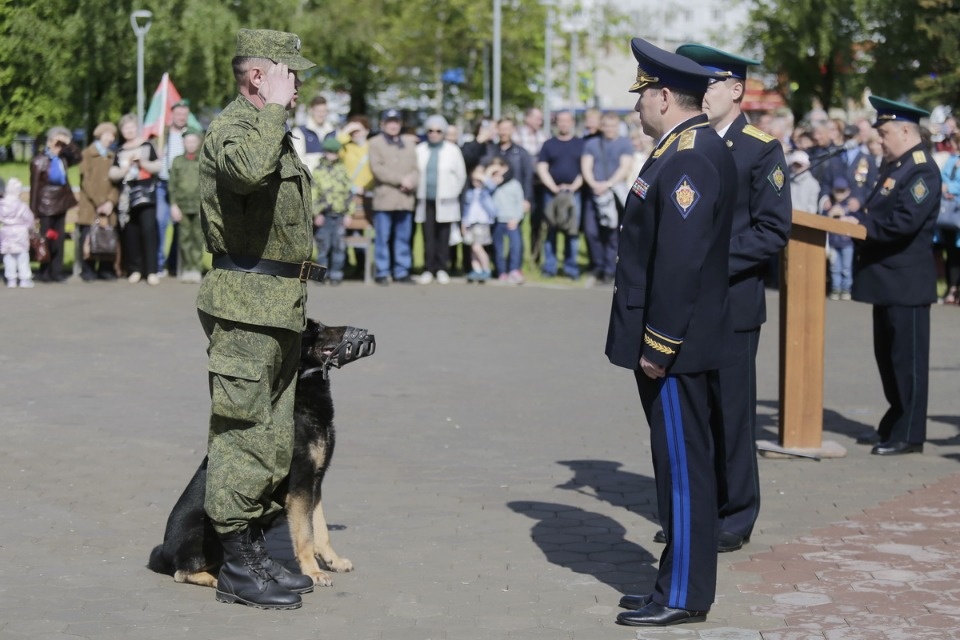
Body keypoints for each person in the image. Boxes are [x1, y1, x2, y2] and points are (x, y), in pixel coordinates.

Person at [606, 37, 735, 627]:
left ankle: (683, 593)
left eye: (641, 96)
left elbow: (680, 263)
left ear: (663, 95)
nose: (636, 107)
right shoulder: (681, 148)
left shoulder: (688, 156)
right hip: (671, 341)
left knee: (683, 471)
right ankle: (672, 580)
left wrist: (658, 344)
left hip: (673, 347)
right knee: (675, 468)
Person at [196, 28, 321, 609]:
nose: (296, 84)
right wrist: (273, 109)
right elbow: (246, 173)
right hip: (246, 304)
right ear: (258, 77)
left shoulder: (270, 129)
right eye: (288, 73)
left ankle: (257, 551)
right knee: (242, 434)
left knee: (272, 440)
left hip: (277, 306)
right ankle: (234, 565)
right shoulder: (234, 129)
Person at [675, 44, 792, 554]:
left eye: (709, 85)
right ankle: (699, 512)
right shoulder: (689, 142)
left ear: (736, 89)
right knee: (695, 413)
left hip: (734, 302)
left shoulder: (760, 148)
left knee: (733, 414)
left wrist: (708, 261)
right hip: (687, 304)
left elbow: (772, 230)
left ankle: (736, 514)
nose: (701, 95)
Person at [843, 96, 942, 456]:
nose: (880, 140)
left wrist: (860, 228)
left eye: (884, 133)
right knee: (888, 360)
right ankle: (894, 422)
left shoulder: (921, 170)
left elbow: (904, 222)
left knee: (907, 363)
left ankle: (909, 434)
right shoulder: (895, 166)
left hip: (906, 283)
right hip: (886, 280)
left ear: (905, 130)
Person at [109, 113, 162, 285]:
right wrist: (124, 170)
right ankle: (135, 270)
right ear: (122, 131)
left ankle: (151, 271)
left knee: (148, 231)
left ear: (136, 128)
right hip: (127, 197)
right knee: (131, 233)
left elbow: (158, 166)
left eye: (132, 127)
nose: (129, 130)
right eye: (125, 128)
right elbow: (113, 173)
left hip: (146, 195)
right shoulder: (120, 150)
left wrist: (143, 164)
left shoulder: (147, 145)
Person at [368, 108, 419, 285]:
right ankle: (382, 271)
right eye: (389, 122)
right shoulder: (375, 143)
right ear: (382, 124)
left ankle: (402, 270)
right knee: (383, 237)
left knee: (403, 237)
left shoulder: (409, 143)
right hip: (385, 198)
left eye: (396, 122)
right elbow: (378, 169)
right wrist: (401, 180)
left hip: (405, 198)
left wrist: (412, 181)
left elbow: (416, 168)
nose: (393, 125)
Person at [582, 112, 634, 284]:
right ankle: (597, 265)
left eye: (613, 126)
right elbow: (586, 166)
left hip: (613, 194)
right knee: (591, 231)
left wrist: (608, 184)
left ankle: (609, 270)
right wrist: (594, 184)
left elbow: (625, 166)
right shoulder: (592, 144)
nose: (609, 129)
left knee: (612, 233)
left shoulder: (625, 144)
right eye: (606, 125)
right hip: (594, 193)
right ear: (601, 126)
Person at [414, 114, 466, 284]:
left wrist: (452, 193)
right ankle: (428, 268)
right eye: (430, 130)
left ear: (443, 132)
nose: (434, 134)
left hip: (446, 200)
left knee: (444, 235)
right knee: (428, 235)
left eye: (438, 131)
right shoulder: (420, 149)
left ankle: (442, 267)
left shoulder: (453, 150)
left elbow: (460, 176)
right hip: (425, 200)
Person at [537, 110, 584, 279]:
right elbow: (541, 168)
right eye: (560, 121)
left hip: (573, 194)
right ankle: (550, 268)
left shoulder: (581, 144)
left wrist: (572, 187)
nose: (564, 124)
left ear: (572, 123)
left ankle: (571, 269)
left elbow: (584, 169)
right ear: (556, 123)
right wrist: (554, 187)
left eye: (567, 121)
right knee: (551, 231)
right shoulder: (548, 144)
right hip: (552, 194)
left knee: (571, 232)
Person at [29, 126, 79, 283]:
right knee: (46, 239)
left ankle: (56, 272)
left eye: (60, 144)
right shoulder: (39, 161)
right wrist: (34, 213)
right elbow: (34, 187)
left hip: (61, 203)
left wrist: (68, 143)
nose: (58, 146)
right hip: (45, 206)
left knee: (59, 239)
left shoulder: (63, 158)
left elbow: (78, 157)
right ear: (49, 142)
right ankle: (45, 272)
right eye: (56, 142)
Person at [77, 122, 120, 281]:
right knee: (88, 236)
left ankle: (105, 269)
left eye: (113, 135)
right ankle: (87, 269)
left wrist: (110, 201)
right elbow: (86, 181)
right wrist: (100, 201)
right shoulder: (87, 154)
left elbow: (116, 183)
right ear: (100, 134)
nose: (111, 138)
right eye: (108, 134)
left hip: (108, 206)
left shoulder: (112, 156)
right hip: (90, 204)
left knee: (107, 235)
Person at [158, 99, 192, 276]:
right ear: (172, 115)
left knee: (180, 226)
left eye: (184, 114)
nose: (181, 117)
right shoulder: (162, 134)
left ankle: (175, 265)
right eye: (178, 114)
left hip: (182, 187)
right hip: (163, 184)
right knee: (160, 222)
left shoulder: (192, 133)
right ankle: (158, 264)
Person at [311, 137, 352, 285]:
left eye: (335, 152)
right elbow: (313, 193)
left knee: (338, 246)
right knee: (323, 246)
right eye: (329, 152)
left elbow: (348, 193)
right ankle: (321, 275)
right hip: (324, 215)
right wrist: (317, 213)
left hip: (339, 215)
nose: (332, 155)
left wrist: (348, 213)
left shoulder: (342, 170)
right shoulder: (318, 171)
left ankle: (336, 274)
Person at [168, 129, 204, 283]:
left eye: (193, 141)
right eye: (187, 141)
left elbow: (208, 185)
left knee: (197, 237)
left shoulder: (203, 160)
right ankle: (187, 268)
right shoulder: (177, 161)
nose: (190, 144)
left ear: (198, 143)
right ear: (183, 143)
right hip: (182, 207)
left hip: (198, 206)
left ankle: (196, 268)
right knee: (184, 239)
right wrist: (173, 205)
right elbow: (172, 186)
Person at [489, 156, 526, 283]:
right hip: (497, 221)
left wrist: (516, 218)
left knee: (515, 247)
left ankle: (514, 270)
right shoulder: (491, 185)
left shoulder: (514, 184)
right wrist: (491, 177)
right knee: (498, 249)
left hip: (512, 221)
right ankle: (501, 271)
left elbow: (519, 203)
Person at [460, 162, 497, 282]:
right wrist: (464, 223)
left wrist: (483, 176)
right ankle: (477, 270)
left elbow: (492, 186)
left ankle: (486, 268)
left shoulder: (485, 192)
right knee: (472, 247)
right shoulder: (470, 193)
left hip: (482, 222)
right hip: (471, 222)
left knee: (477, 247)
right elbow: (466, 209)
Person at [821, 177, 856, 300]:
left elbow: (857, 220)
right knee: (835, 267)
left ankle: (846, 289)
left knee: (846, 268)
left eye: (842, 191)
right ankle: (836, 288)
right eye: (837, 190)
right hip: (833, 242)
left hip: (847, 243)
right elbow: (822, 220)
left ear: (848, 191)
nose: (840, 194)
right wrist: (831, 214)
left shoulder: (850, 206)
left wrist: (845, 217)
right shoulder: (829, 205)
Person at [937, 130, 960, 304]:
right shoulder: (951, 160)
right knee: (950, 251)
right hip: (950, 213)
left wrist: (951, 188)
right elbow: (942, 178)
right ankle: (951, 287)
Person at [0, 178, 35, 288]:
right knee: (22, 256)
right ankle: (24, 279)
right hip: (20, 232)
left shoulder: (2, 205)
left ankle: (11, 279)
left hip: (6, 231)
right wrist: (30, 229)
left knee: (8, 256)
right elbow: (29, 220)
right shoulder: (22, 206)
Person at [293, 95, 335, 173]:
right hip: (309, 178)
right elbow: (298, 159)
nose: (321, 114)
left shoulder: (333, 132)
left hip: (330, 179)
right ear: (311, 110)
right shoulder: (299, 131)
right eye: (318, 111)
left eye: (324, 111)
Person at [787, 149, 821, 214]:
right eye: (795, 164)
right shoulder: (786, 179)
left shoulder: (813, 184)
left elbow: (812, 208)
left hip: (803, 219)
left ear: (807, 166)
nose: (797, 167)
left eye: (800, 165)